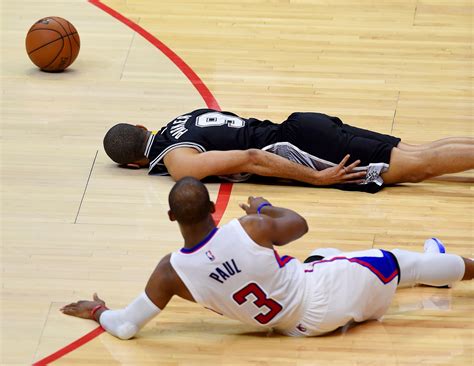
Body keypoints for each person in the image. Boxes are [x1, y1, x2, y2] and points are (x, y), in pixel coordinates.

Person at [61, 177, 473, 338]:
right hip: (325, 297)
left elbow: (127, 326)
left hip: (298, 327)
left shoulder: (170, 273)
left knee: (322, 256)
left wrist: (99, 311)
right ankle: (443, 267)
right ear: (212, 209)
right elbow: (298, 222)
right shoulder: (249, 229)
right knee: (400, 264)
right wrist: (263, 206)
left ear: (171, 217)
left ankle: (432, 269)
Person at [102, 109, 474, 193]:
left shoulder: (178, 159)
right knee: (418, 152)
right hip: (303, 125)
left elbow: (252, 157)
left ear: (136, 165)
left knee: (418, 166)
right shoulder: (180, 120)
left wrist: (317, 176)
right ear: (140, 126)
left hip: (305, 146)